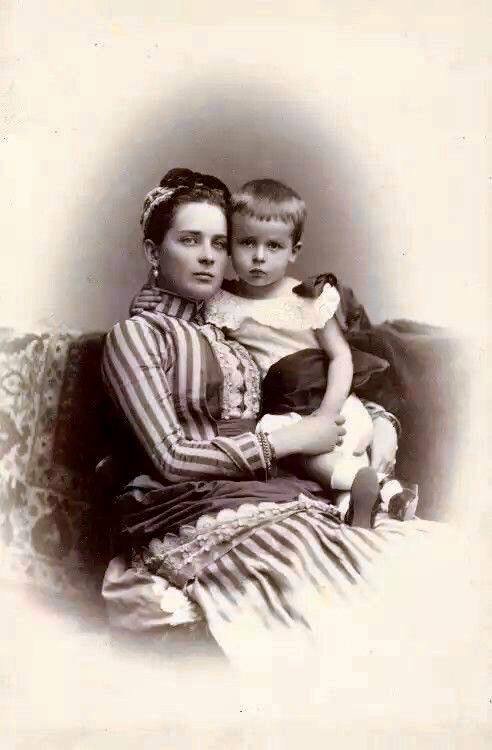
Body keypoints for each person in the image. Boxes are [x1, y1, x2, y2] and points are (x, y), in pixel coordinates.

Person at [101, 167, 425, 668]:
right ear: (153, 252)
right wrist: (288, 441)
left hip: (272, 489)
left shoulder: (229, 330)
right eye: (189, 240)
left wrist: (380, 420)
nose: (208, 255)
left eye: (218, 243)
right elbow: (170, 457)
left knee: (399, 562)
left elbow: (299, 390)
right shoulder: (138, 335)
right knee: (314, 582)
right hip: (186, 501)